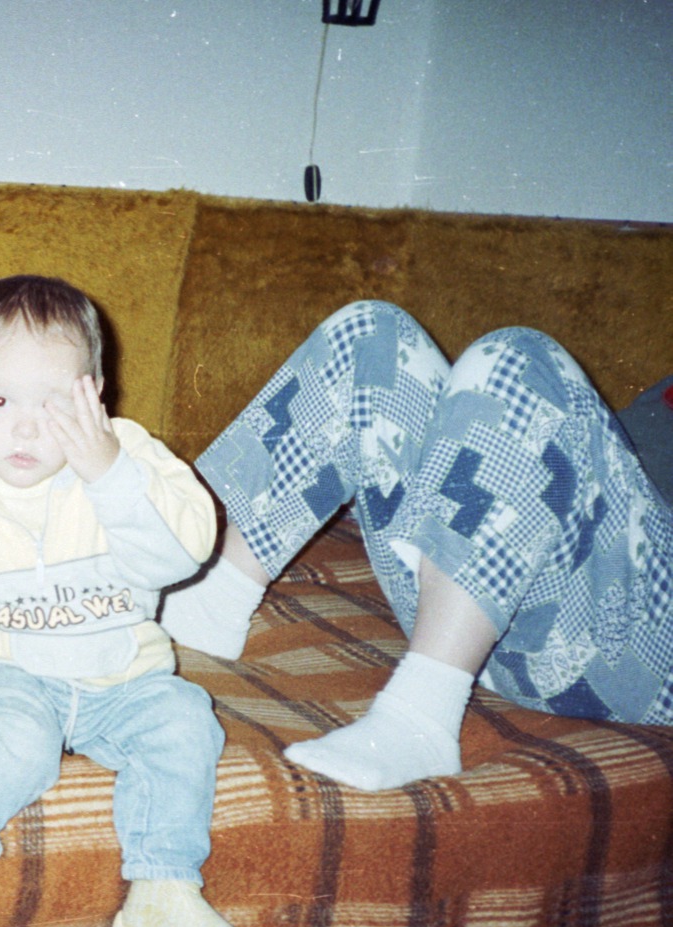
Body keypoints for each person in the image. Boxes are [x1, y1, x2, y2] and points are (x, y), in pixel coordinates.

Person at [0, 275, 272, 927]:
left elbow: (181, 556)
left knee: (184, 719)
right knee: (11, 743)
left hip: (125, 675)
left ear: (95, 394)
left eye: (53, 403)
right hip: (4, 670)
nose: (25, 428)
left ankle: (162, 890)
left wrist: (108, 473)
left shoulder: (131, 460)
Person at [160, 300, 673, 792]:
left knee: (520, 359)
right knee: (371, 335)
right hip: (545, 587)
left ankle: (421, 717)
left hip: (637, 646)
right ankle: (217, 595)